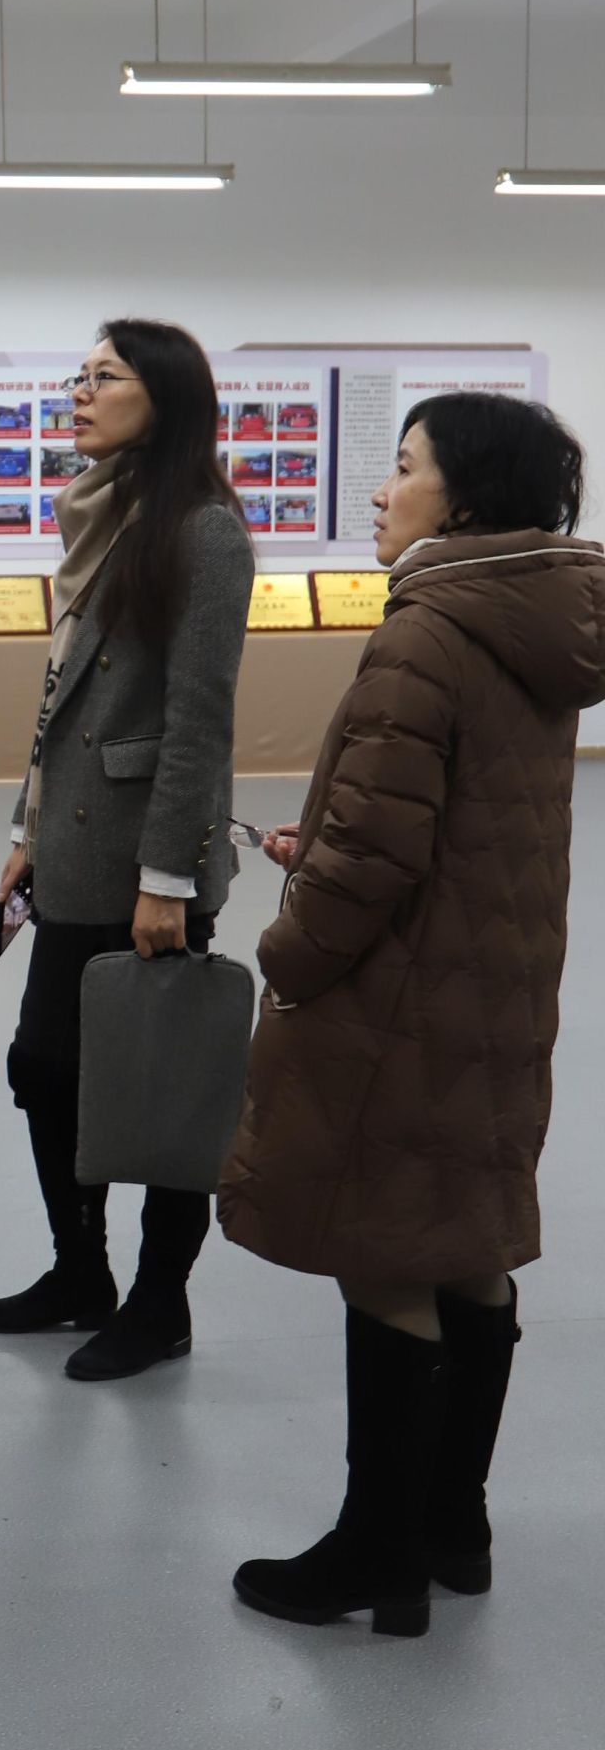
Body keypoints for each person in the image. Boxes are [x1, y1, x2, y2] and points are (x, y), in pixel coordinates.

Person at [220, 393, 605, 1636]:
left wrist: (289, 945)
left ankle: (373, 1554)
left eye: (400, 467)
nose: (379, 492)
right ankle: (451, 1525)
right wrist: (337, 833)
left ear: (464, 495)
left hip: (397, 999)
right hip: (493, 984)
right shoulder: (532, 627)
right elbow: (446, 817)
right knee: (466, 1243)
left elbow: (377, 862)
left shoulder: (425, 630)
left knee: (383, 1250)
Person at [0, 319, 254, 1380]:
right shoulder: (98, 513)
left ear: (163, 397)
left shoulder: (203, 530)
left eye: (104, 377)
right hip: (74, 849)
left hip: (146, 864)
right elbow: (62, 693)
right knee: (45, 1068)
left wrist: (167, 878)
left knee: (167, 1088)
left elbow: (197, 720)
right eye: (78, 376)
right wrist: (25, 828)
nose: (79, 394)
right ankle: (79, 1271)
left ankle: (158, 1302)